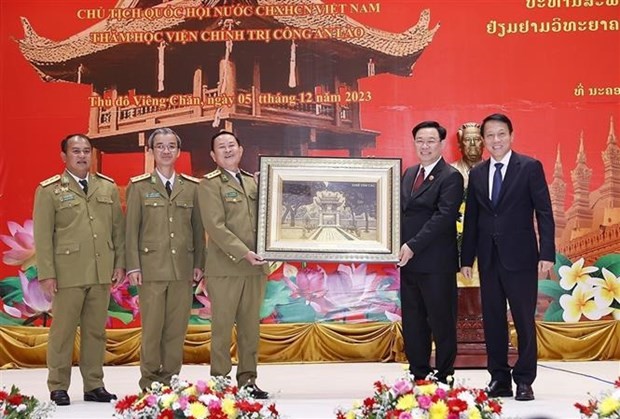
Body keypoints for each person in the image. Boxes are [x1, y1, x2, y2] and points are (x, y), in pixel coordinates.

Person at [460, 113, 555, 401]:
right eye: (490, 135)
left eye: (501, 134)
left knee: (524, 319)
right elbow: (473, 219)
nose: (495, 140)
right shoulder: (477, 173)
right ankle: (499, 378)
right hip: (488, 259)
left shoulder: (529, 167)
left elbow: (544, 213)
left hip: (522, 258)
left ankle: (524, 380)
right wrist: (466, 259)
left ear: (511, 136)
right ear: (484, 140)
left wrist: (546, 252)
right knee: (492, 320)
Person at [33, 134, 125, 406]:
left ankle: (94, 385)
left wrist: (119, 263)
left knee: (96, 331)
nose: (83, 155)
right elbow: (43, 235)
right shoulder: (49, 190)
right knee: (62, 331)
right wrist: (47, 273)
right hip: (67, 273)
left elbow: (117, 230)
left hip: (100, 271)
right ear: (64, 156)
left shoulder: (106, 187)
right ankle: (58, 385)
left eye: (87, 151)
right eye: (76, 151)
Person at [125, 127, 205, 391]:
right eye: (160, 146)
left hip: (182, 269)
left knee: (176, 328)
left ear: (179, 151)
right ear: (151, 151)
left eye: (171, 146)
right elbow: (131, 230)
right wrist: (133, 265)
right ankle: (149, 380)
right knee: (152, 328)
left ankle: (171, 379)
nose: (166, 151)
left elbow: (197, 230)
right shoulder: (138, 187)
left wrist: (199, 265)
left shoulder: (192, 188)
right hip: (150, 269)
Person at [197, 130, 269, 399]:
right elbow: (216, 227)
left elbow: (269, 219)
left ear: (241, 150)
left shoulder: (254, 183)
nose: (228, 150)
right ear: (213, 156)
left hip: (255, 268)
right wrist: (244, 252)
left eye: (232, 145)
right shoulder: (209, 184)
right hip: (226, 268)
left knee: (251, 328)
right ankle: (219, 382)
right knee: (222, 328)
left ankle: (248, 380)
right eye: (221, 147)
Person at [397, 121, 464, 384]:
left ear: (442, 144)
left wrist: (412, 245)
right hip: (408, 261)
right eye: (420, 141)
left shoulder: (451, 177)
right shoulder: (408, 173)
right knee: (413, 321)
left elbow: (444, 217)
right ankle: (418, 372)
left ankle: (445, 373)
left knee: (441, 320)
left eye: (431, 141)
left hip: (436, 262)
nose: (425, 146)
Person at [451, 122, 484, 188]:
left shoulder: (492, 170)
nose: (472, 143)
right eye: (467, 139)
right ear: (460, 145)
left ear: (483, 143)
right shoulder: (449, 171)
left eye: (477, 139)